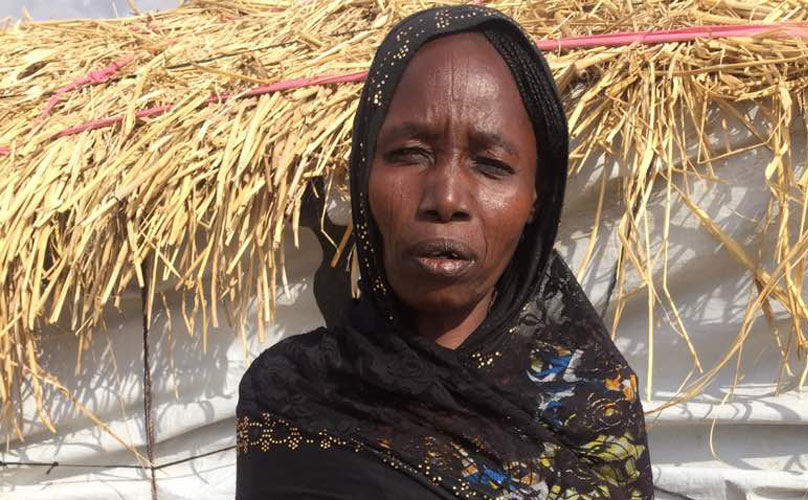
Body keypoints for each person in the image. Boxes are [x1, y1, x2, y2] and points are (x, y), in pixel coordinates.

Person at [236, 5, 653, 499]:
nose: (447, 199)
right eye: (410, 154)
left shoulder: (592, 405)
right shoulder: (294, 398)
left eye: (491, 164)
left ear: (534, 197)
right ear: (366, 175)